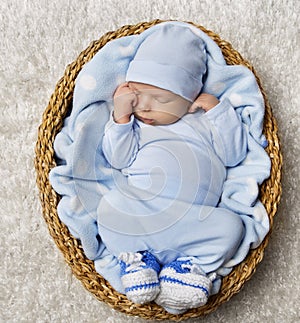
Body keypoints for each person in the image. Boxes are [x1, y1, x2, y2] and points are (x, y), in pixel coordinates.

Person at [99, 25, 247, 313]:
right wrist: (121, 115)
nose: (145, 107)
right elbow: (117, 159)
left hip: (194, 221)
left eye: (162, 100)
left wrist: (218, 111)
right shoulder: (136, 126)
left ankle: (185, 269)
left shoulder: (203, 121)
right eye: (138, 94)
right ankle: (139, 261)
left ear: (190, 97)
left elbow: (235, 155)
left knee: (232, 227)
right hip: (145, 215)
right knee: (109, 207)